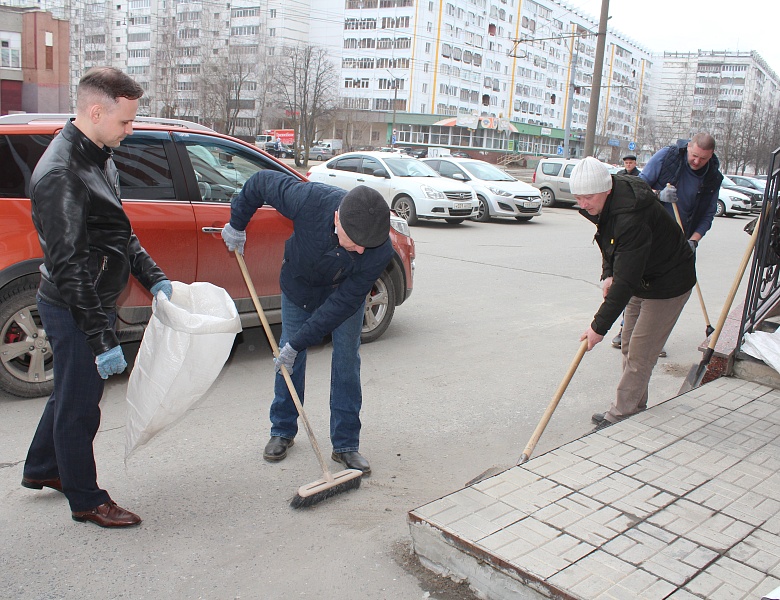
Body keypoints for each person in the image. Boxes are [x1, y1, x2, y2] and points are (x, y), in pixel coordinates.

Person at [21, 67, 172, 527]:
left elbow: (116, 232)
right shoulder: (62, 174)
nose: (131, 130)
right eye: (126, 122)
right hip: (74, 305)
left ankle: (45, 468)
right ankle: (86, 498)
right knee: (81, 404)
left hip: (88, 299)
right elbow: (68, 267)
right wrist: (101, 338)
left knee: (70, 393)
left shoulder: (99, 156)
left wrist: (154, 276)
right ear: (95, 111)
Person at [221, 172, 392, 476]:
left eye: (367, 245)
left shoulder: (378, 248)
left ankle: (346, 444)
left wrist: (299, 342)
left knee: (346, 361)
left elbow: (341, 305)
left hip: (342, 295)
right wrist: (237, 223)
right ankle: (282, 429)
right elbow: (259, 182)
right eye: (354, 243)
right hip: (299, 287)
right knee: (289, 359)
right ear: (337, 218)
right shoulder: (309, 199)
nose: (362, 251)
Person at [571, 157, 696, 430]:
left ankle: (621, 416)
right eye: (578, 198)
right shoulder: (609, 201)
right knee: (628, 343)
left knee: (641, 352)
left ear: (606, 189)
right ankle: (635, 406)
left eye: (588, 197)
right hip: (644, 274)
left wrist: (598, 327)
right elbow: (608, 239)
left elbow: (625, 283)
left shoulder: (630, 216)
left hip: (668, 282)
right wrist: (607, 273)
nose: (583, 204)